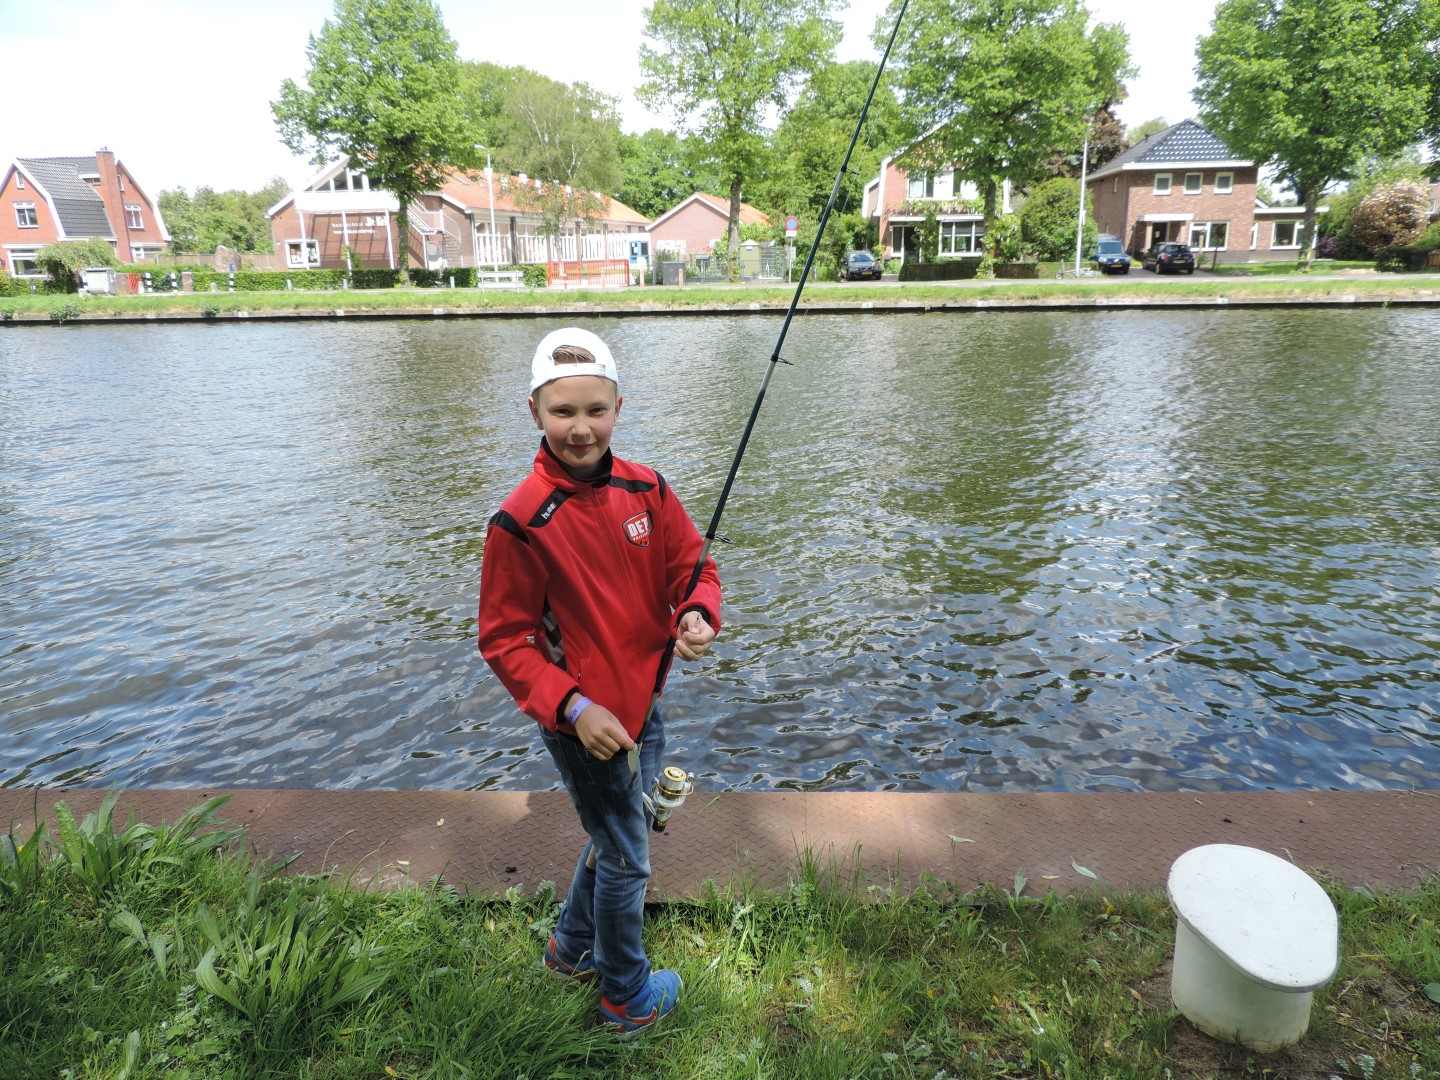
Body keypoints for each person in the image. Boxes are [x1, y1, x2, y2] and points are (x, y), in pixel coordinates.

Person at [477, 326, 721, 1037]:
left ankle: (569, 949)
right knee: (626, 855)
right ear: (534, 411)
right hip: (584, 723)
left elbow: (694, 568)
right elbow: (505, 640)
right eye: (563, 412)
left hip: (645, 703)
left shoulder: (648, 488)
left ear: (619, 407)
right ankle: (625, 998)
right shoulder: (520, 521)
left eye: (595, 410)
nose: (580, 428)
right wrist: (573, 706)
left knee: (617, 830)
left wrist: (698, 612)